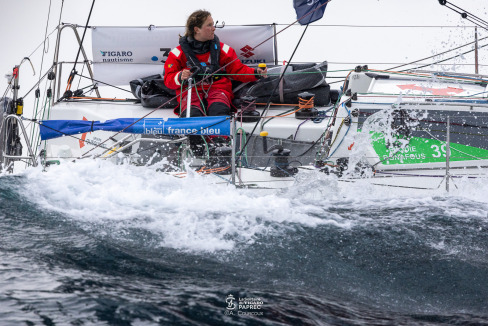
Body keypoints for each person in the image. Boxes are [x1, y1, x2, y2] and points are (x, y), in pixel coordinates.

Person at [163, 9, 267, 117]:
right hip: (191, 92)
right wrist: (180, 76)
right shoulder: (177, 53)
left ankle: (218, 134)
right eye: (209, 25)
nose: (214, 28)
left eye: (213, 24)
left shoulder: (224, 50)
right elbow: (168, 79)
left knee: (219, 111)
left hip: (218, 89)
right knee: (192, 115)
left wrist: (255, 72)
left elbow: (237, 69)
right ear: (197, 29)